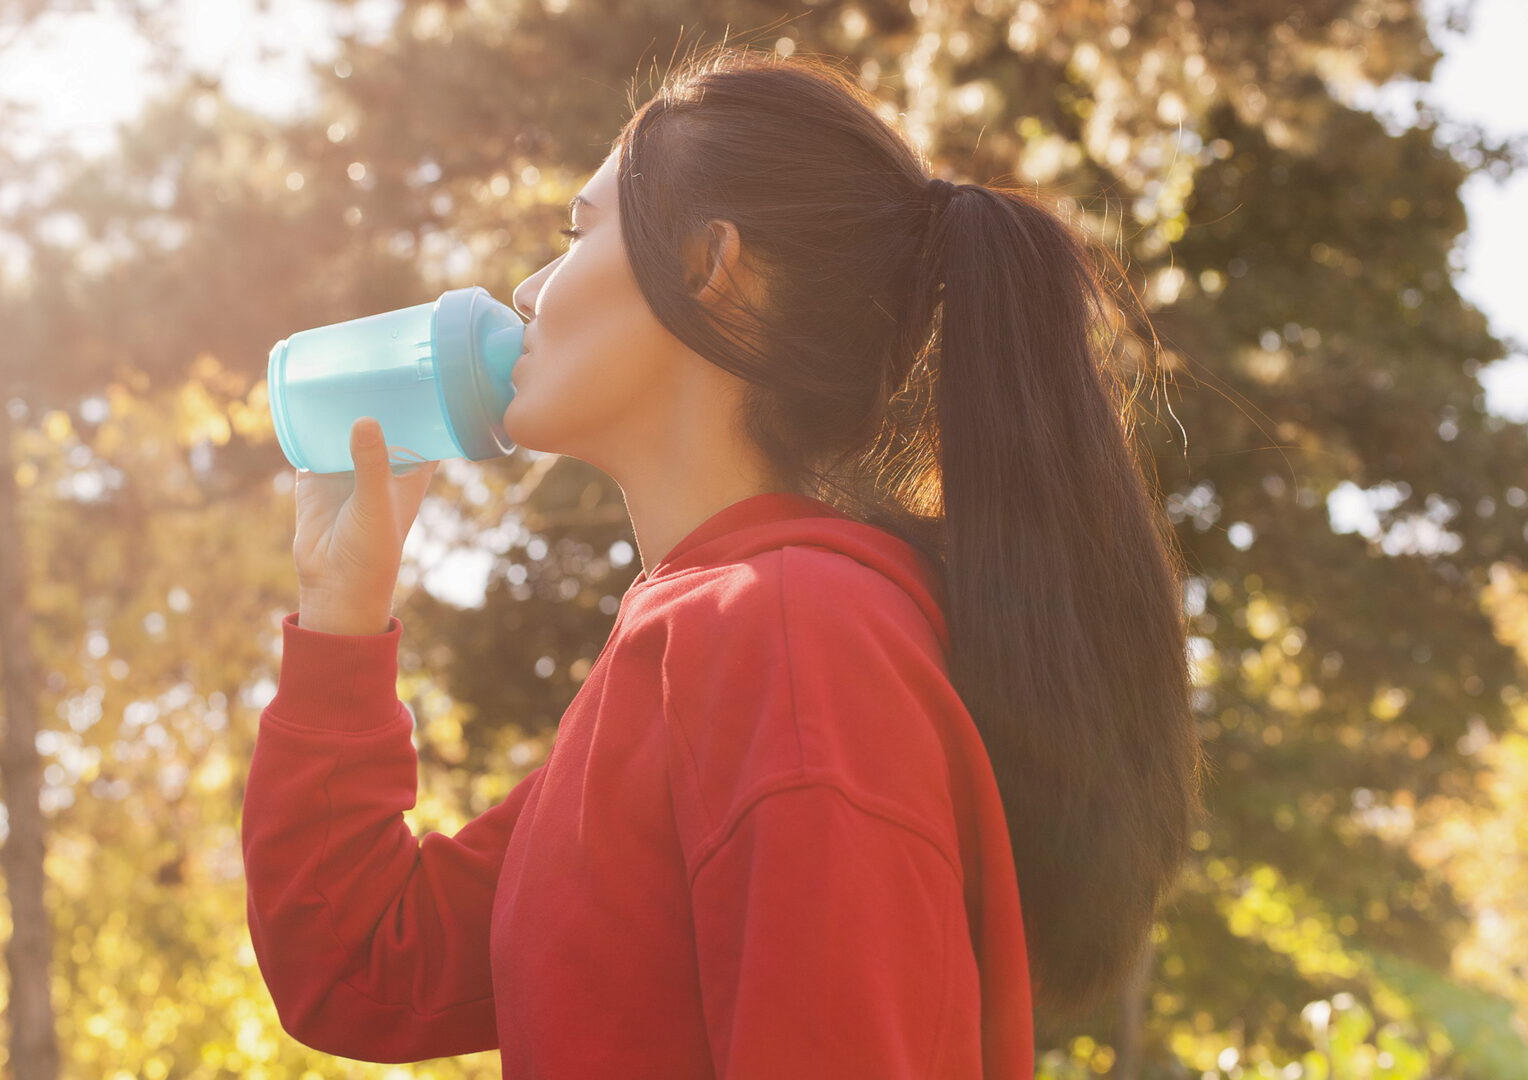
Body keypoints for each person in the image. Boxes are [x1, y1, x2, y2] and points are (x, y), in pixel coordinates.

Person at [242, 43, 1204, 1078]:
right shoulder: (700, 650)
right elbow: (365, 970)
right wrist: (342, 617)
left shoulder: (792, 641)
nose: (528, 286)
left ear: (709, 268)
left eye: (578, 234)